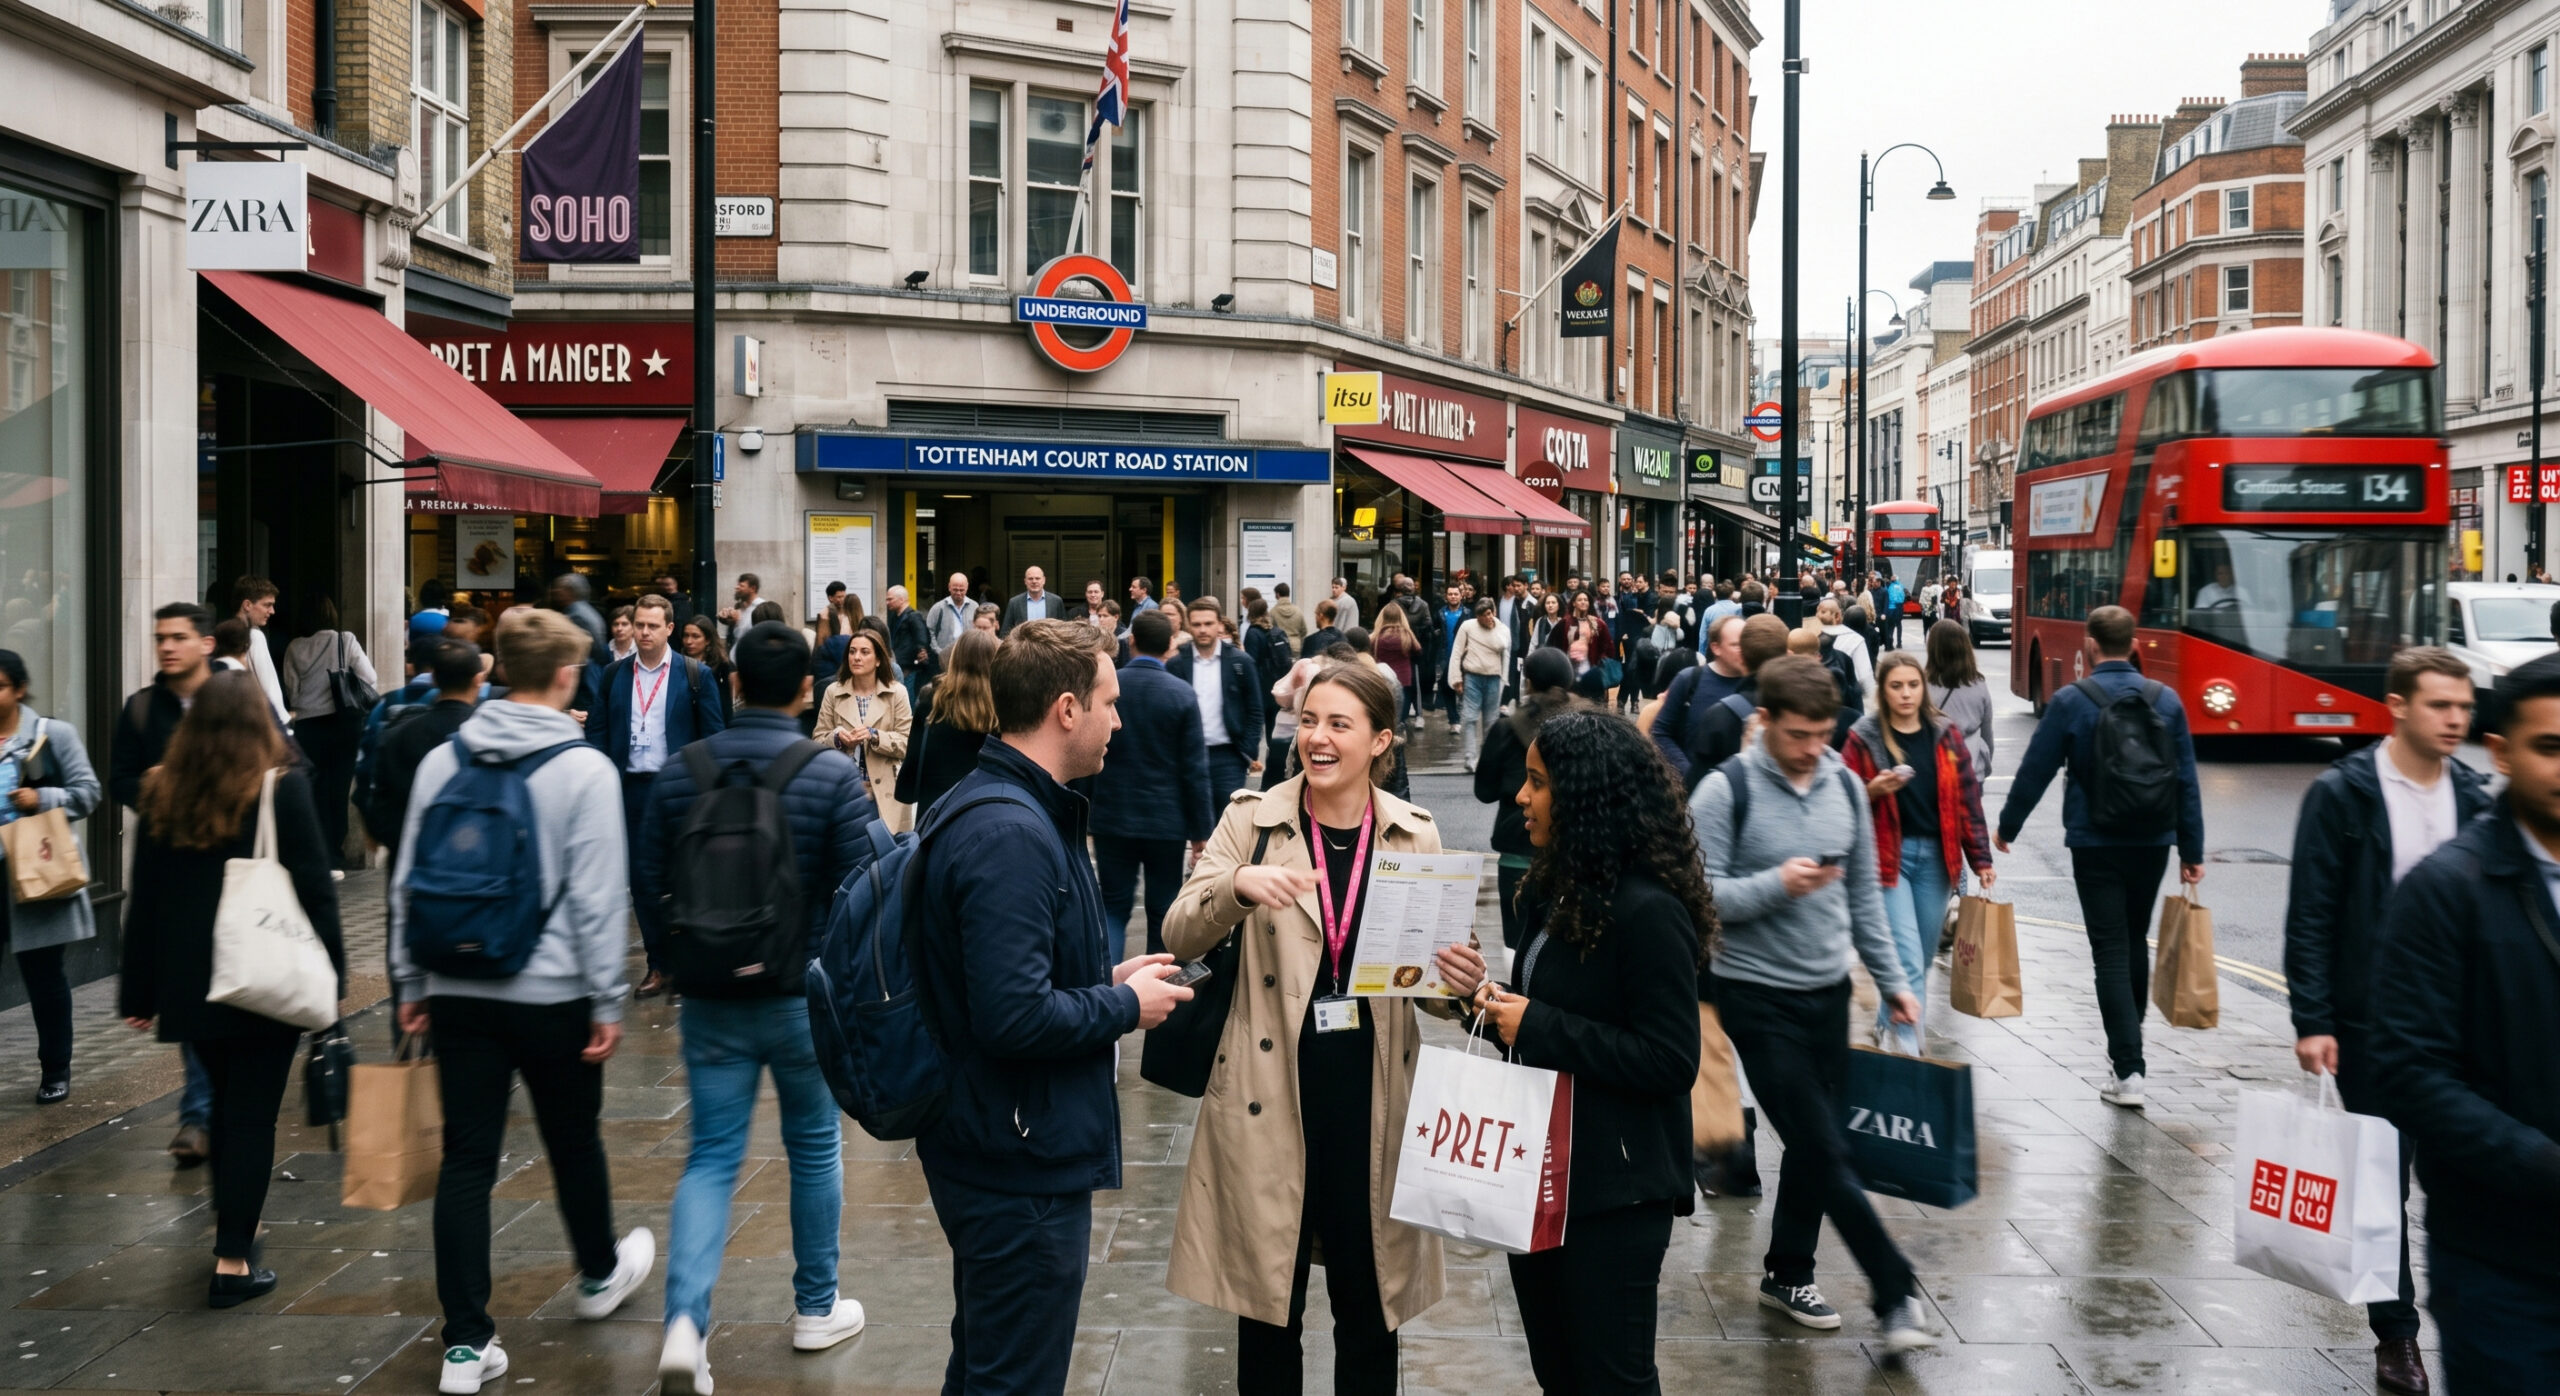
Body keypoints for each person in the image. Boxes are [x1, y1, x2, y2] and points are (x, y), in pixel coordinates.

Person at [911, 619, 1193, 1394]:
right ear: (1067, 709)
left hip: (1002, 1141)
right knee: (1014, 1378)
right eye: (1109, 701)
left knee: (986, 1364)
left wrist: (1105, 976)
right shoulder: (1012, 831)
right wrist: (1122, 1006)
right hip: (1016, 1157)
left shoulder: (1012, 806)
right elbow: (1013, 1017)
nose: (1120, 719)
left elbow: (1002, 974)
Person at [1163, 658, 1457, 1395]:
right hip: (1269, 1093)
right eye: (1309, 721)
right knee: (1268, 1309)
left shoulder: (1412, 836)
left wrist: (1461, 979)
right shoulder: (1251, 820)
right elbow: (1178, 933)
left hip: (1371, 1099)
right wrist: (1233, 887)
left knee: (1370, 1305)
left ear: (1381, 741)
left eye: (1338, 724)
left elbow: (1431, 987)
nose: (1315, 739)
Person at [392, 608, 653, 1395]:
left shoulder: (444, 759)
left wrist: (410, 982)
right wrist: (608, 1000)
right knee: (573, 1139)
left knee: (467, 1158)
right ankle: (599, 1273)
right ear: (568, 676)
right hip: (555, 991)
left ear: (499, 669)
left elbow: (409, 878)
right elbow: (600, 901)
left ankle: (466, 1345)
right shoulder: (586, 770)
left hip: (457, 988)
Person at [637, 623, 878, 1393]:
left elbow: (647, 879)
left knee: (710, 1157)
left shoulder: (683, 771)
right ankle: (814, 1307)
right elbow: (865, 885)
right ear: (808, 690)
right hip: (801, 994)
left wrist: (673, 960)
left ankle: (684, 1322)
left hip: (709, 995)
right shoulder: (831, 776)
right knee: (813, 1146)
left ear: (733, 684)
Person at [1438, 708, 1704, 1393]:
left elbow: (1672, 1059)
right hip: (1539, 1174)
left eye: (1537, 784)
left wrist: (1536, 1024)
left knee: (1611, 1379)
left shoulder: (1649, 911)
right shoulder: (1553, 889)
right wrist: (1487, 999)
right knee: (1558, 1372)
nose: (1520, 797)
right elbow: (1548, 1012)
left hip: (1615, 1193)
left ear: (1585, 797)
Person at [1691, 655, 1935, 1352]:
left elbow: (1863, 897)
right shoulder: (1723, 792)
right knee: (1824, 1143)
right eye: (1799, 735)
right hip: (1755, 996)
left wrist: (1895, 984)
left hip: (1828, 991)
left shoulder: (1846, 787)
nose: (1813, 749)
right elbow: (1695, 895)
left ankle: (1788, 1272)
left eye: (1824, 733)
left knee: (1814, 1145)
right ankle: (1895, 1291)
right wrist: (1776, 885)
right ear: (1764, 721)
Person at [2284, 648, 2483, 1396]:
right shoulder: (2346, 793)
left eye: (2463, 706)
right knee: (2380, 1190)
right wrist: (2314, 1018)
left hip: (2464, 1025)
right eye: (2440, 705)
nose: (2456, 719)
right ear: (2398, 706)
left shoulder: (2473, 792)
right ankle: (2397, 1337)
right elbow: (2312, 912)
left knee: (2465, 1178)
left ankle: (2463, 1314)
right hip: (2376, 1025)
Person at [120, 671, 346, 1307]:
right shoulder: (282, 788)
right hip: (262, 973)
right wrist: (333, 977)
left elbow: (144, 902)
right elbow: (316, 893)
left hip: (191, 982)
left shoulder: (162, 790)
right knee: (251, 1117)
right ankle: (233, 1261)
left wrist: (138, 991)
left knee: (223, 1109)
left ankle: (237, 1231)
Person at [2367, 652, 2560, 1393]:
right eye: (2550, 748)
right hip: (2503, 1268)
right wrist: (2542, 1164)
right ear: (2504, 752)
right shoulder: (2448, 890)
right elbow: (2410, 1073)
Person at [1995, 606, 2205, 1109]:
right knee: (2134, 939)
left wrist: (2007, 826)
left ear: (2089, 646)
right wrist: (2191, 849)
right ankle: (2128, 1055)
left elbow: (2036, 768)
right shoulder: (2167, 700)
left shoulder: (2072, 700)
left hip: (2095, 841)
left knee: (2110, 949)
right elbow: (2186, 780)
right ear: (2134, 645)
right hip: (2153, 840)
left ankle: (2128, 1069)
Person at [113, 601, 226, 1163]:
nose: (166, 647)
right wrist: (156, 791)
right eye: (160, 637)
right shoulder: (141, 710)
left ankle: (215, 1112)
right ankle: (200, 1116)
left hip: (236, 873)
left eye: (178, 637)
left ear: (206, 643)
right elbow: (121, 780)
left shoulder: (237, 699)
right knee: (193, 996)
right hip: (173, 871)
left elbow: (287, 767)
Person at [1843, 652, 1997, 1053]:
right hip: (1886, 860)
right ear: (1883, 690)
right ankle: (1910, 1049)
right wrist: (1871, 789)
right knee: (1908, 957)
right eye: (1896, 686)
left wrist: (1980, 859)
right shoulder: (1864, 736)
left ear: (1923, 687)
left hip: (1937, 860)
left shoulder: (1945, 735)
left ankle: (1885, 1020)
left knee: (1923, 958)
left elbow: (1966, 800)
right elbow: (1837, 796)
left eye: (1913, 685)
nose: (1906, 694)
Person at [585, 594, 726, 1001]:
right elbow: (597, 730)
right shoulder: (614, 675)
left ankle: (687, 964)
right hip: (630, 790)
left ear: (669, 630)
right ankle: (658, 964)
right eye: (638, 625)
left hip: (680, 791)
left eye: (651, 626)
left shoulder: (694, 674)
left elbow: (713, 738)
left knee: (685, 879)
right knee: (643, 883)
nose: (643, 632)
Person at [0, 651, 99, 1104]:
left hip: (35, 870)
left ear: (19, 689)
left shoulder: (50, 734)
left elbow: (88, 794)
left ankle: (55, 1069)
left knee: (44, 977)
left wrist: (38, 800)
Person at [1090, 610, 1212, 957]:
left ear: (1132, 642)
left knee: (1113, 908)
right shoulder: (1182, 695)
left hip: (1113, 814)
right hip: (1166, 821)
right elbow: (1194, 769)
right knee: (1163, 911)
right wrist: (1200, 832)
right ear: (1171, 646)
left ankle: (1107, 982)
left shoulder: (1110, 688)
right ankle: (1161, 991)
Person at [1474, 647, 1578, 950]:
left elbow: (1484, 792)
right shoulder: (1588, 724)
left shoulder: (1506, 728)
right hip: (1572, 852)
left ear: (1528, 683)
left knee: (1517, 943)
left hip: (1517, 851)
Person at [364, 640, 483, 870]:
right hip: (477, 870)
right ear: (479, 679)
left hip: (412, 868)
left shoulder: (397, 735)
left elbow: (380, 808)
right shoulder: (492, 734)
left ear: (434, 679)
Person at [277, 597, 377, 870]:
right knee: (339, 789)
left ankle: (317, 849)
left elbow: (292, 689)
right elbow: (369, 676)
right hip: (343, 723)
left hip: (308, 726)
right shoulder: (345, 640)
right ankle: (335, 851)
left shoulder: (295, 646)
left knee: (313, 789)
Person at [812, 628, 914, 833]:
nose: (856, 657)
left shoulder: (897, 693)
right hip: (845, 791)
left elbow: (907, 743)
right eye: (852, 651)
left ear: (878, 660)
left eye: (864, 652)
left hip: (886, 793)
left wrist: (875, 736)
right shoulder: (833, 691)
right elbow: (817, 740)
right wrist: (838, 738)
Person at [1676, 614, 1793, 791]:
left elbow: (1698, 787)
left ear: (1742, 657)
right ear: (1787, 653)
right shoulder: (1807, 705)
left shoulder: (1720, 715)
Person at [1167, 598, 1264, 802]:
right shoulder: (1176, 664)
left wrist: (1247, 751)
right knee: (1193, 820)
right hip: (1188, 754)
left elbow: (1255, 710)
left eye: (1208, 624)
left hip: (1228, 756)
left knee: (1225, 821)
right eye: (1197, 624)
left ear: (1219, 624)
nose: (1203, 630)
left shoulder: (1241, 662)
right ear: (1189, 626)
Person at [896, 627, 999, 820]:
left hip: (936, 810)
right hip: (987, 809)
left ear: (955, 659)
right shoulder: (1002, 708)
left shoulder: (931, 702)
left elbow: (914, 759)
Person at [1652, 613, 1749, 781]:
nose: (1745, 650)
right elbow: (1660, 732)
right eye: (1736, 645)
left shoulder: (1759, 684)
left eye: (1747, 644)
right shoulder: (1688, 679)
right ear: (1716, 648)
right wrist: (1689, 773)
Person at [1923, 619, 1994, 778]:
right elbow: (1987, 733)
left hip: (1935, 770)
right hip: (1971, 769)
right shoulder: (1979, 685)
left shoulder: (1922, 684)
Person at [1446, 600, 1511, 770]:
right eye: (1483, 615)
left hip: (1493, 677)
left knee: (1491, 720)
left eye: (1489, 613)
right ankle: (1469, 757)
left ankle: (1487, 758)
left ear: (1493, 612)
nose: (1487, 617)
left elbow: (1503, 648)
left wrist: (1504, 680)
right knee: (1470, 717)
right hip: (1472, 676)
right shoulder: (1468, 626)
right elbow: (1457, 651)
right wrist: (1456, 678)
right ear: (1477, 616)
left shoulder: (1502, 629)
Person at [230, 576, 292, 727]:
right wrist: (283, 722)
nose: (272, 611)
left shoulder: (225, 633)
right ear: (247, 605)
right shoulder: (254, 636)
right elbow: (269, 687)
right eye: (267, 605)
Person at [1370, 600, 1422, 727]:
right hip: (1404, 679)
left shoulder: (1376, 637)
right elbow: (1418, 652)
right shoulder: (1407, 635)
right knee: (1400, 717)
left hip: (1382, 678)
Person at [678, 615, 735, 722]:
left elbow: (726, 704)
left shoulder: (722, 666)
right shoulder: (678, 664)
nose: (689, 641)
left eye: (695, 636)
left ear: (707, 640)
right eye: (686, 636)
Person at [883, 585, 935, 699]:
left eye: (890, 599)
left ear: (901, 599)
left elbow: (922, 637)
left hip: (909, 667)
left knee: (907, 697)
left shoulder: (914, 617)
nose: (887, 602)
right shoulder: (895, 616)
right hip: (900, 664)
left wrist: (921, 650)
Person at [927, 571, 976, 662]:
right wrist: (938, 651)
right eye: (955, 589)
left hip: (968, 657)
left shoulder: (975, 607)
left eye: (962, 590)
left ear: (967, 587)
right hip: (944, 658)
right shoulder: (938, 608)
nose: (958, 593)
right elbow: (930, 631)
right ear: (949, 587)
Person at [1000, 565, 1060, 635]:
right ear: (1025, 581)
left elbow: (1064, 629)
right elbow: (1005, 631)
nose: (1034, 581)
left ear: (1044, 580)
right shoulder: (1014, 603)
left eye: (1037, 578)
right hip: (1023, 645)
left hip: (1049, 644)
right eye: (1030, 579)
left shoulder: (1056, 602)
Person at [719, 573, 764, 656]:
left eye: (741, 586)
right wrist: (727, 620)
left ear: (752, 588)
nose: (737, 587)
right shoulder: (739, 607)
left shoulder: (761, 607)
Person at [1268, 582, 1307, 647]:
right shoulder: (1298, 610)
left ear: (1277, 594)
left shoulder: (1273, 611)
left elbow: (1270, 630)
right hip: (1296, 646)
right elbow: (1304, 630)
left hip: (1280, 646)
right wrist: (1298, 641)